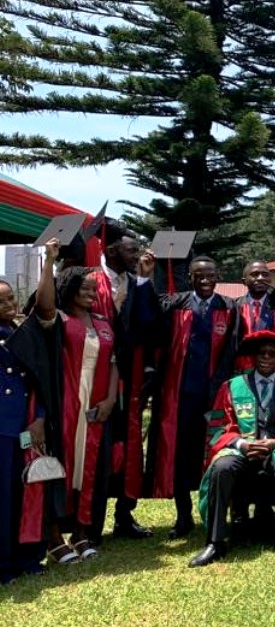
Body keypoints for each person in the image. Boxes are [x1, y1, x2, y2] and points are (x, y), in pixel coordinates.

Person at [191, 331, 275, 567]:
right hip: (242, 448)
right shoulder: (232, 386)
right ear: (254, 356)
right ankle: (215, 541)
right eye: (261, 353)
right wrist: (242, 444)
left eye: (272, 354)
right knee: (221, 467)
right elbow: (219, 427)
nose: (266, 357)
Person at [32, 238, 118, 561]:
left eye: (94, 289)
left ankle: (82, 534)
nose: (91, 294)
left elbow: (114, 363)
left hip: (97, 407)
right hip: (66, 405)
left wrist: (110, 400)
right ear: (69, 289)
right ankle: (54, 539)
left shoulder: (104, 323)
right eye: (85, 288)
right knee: (60, 469)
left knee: (90, 471)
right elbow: (43, 303)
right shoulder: (58, 320)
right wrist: (49, 261)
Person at [145, 254, 236, 538]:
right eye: (200, 275)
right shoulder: (176, 304)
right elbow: (151, 320)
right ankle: (183, 516)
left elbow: (232, 351)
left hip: (215, 395)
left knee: (214, 454)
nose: (205, 279)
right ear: (191, 277)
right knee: (180, 456)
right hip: (180, 396)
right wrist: (147, 276)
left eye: (210, 275)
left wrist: (223, 388)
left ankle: (215, 515)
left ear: (218, 276)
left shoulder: (229, 307)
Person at [90, 220, 156, 541]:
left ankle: (124, 515)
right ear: (112, 250)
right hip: (95, 377)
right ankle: (90, 519)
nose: (137, 255)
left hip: (129, 377)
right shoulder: (91, 280)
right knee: (99, 445)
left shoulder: (135, 281)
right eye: (131, 250)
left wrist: (143, 282)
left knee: (129, 445)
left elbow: (148, 324)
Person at [0, 279, 49, 580]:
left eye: (11, 298)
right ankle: (4, 564)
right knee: (4, 496)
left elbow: (37, 380)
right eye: (1, 301)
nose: (9, 305)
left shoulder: (20, 331)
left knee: (26, 491)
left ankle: (26, 557)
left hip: (26, 425)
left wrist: (40, 418)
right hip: (3, 428)